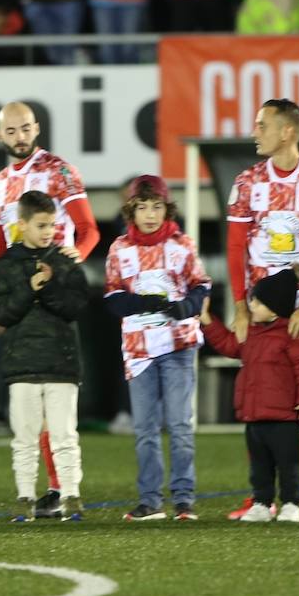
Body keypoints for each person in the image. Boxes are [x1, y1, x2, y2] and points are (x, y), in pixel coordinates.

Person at [225, 99, 299, 520]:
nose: (255, 131)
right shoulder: (246, 182)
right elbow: (236, 248)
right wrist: (239, 306)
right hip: (259, 310)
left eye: (262, 125)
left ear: (287, 131)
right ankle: (262, 496)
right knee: (262, 393)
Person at [0, 102, 99, 518]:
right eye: (11, 131)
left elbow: (89, 230)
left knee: (55, 396)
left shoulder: (59, 171)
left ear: (37, 128)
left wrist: (70, 262)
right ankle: (48, 492)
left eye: (26, 128)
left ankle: (58, 489)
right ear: (0, 136)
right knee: (30, 395)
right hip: (18, 292)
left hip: (54, 291)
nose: (20, 137)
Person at [103, 175, 210, 522]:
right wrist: (139, 303)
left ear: (168, 209)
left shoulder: (183, 244)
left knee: (179, 425)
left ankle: (183, 499)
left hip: (178, 344)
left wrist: (188, 306)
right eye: (142, 207)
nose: (150, 214)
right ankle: (150, 500)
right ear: (130, 211)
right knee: (145, 429)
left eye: (157, 206)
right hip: (138, 350)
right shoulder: (120, 249)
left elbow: (201, 285)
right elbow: (112, 298)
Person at [0, 191, 90, 523]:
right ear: (22, 225)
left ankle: (72, 496)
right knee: (25, 438)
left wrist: (46, 286)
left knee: (64, 435)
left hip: (61, 363)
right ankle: (24, 498)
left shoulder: (65, 260)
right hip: (22, 366)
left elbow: (77, 307)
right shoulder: (5, 264)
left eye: (52, 224)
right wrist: (29, 287)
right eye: (41, 225)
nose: (49, 231)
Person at [201, 268, 299, 523]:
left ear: (274, 308)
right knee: (259, 466)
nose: (251, 305)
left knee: (288, 464)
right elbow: (229, 345)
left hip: (283, 417)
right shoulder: (252, 333)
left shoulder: (294, 334)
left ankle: (290, 503)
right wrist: (208, 321)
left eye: (257, 301)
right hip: (254, 416)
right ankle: (262, 503)